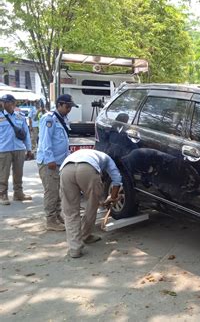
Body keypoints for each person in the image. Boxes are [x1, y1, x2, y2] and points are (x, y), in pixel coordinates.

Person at [60, 149, 122, 258]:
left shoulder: (87, 152)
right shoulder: (107, 158)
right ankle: (85, 235)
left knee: (70, 211)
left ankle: (75, 248)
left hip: (66, 170)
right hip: (88, 169)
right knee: (92, 206)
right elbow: (117, 179)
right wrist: (113, 197)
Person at [36, 94, 77, 231]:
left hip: (60, 161)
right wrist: (50, 159)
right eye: (67, 106)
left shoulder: (63, 119)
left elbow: (62, 142)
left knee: (58, 190)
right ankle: (50, 220)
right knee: (51, 191)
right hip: (49, 163)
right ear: (59, 104)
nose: (69, 109)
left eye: (71, 107)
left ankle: (57, 216)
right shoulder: (49, 119)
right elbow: (45, 141)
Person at [0, 94, 33, 205]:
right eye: (3, 102)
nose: (3, 104)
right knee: (3, 173)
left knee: (18, 172)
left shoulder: (20, 117)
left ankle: (18, 193)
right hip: (4, 149)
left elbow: (26, 133)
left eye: (6, 102)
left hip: (19, 148)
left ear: (13, 103)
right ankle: (2, 194)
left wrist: (29, 149)